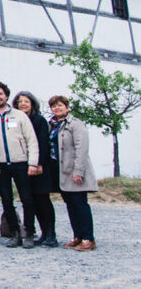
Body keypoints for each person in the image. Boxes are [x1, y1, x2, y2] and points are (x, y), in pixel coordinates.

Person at [0, 81, 38, 248]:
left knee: (27, 199)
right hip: (0, 165)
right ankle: (14, 233)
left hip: (20, 163)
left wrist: (33, 163)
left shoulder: (19, 115)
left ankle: (29, 233)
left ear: (6, 95)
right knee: (7, 200)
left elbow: (31, 140)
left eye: (0, 94)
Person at [48, 95, 97, 251]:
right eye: (54, 106)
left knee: (80, 204)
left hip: (74, 171)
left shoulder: (75, 125)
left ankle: (88, 238)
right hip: (60, 171)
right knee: (70, 205)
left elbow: (81, 149)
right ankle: (77, 236)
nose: (57, 108)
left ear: (67, 107)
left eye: (60, 105)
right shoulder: (53, 125)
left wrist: (78, 171)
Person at [14, 91, 56, 246]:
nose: (23, 104)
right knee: (33, 201)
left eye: (26, 101)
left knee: (43, 200)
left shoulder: (38, 120)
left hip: (39, 166)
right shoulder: (17, 120)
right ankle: (44, 233)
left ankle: (51, 233)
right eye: (20, 102)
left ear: (32, 104)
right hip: (24, 166)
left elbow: (43, 143)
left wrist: (38, 163)